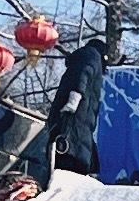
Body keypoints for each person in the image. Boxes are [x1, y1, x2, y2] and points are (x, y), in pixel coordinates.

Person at [35, 34, 113, 188]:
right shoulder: (91, 54)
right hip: (74, 121)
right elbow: (83, 72)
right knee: (70, 151)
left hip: (78, 123)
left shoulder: (89, 58)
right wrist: (75, 96)